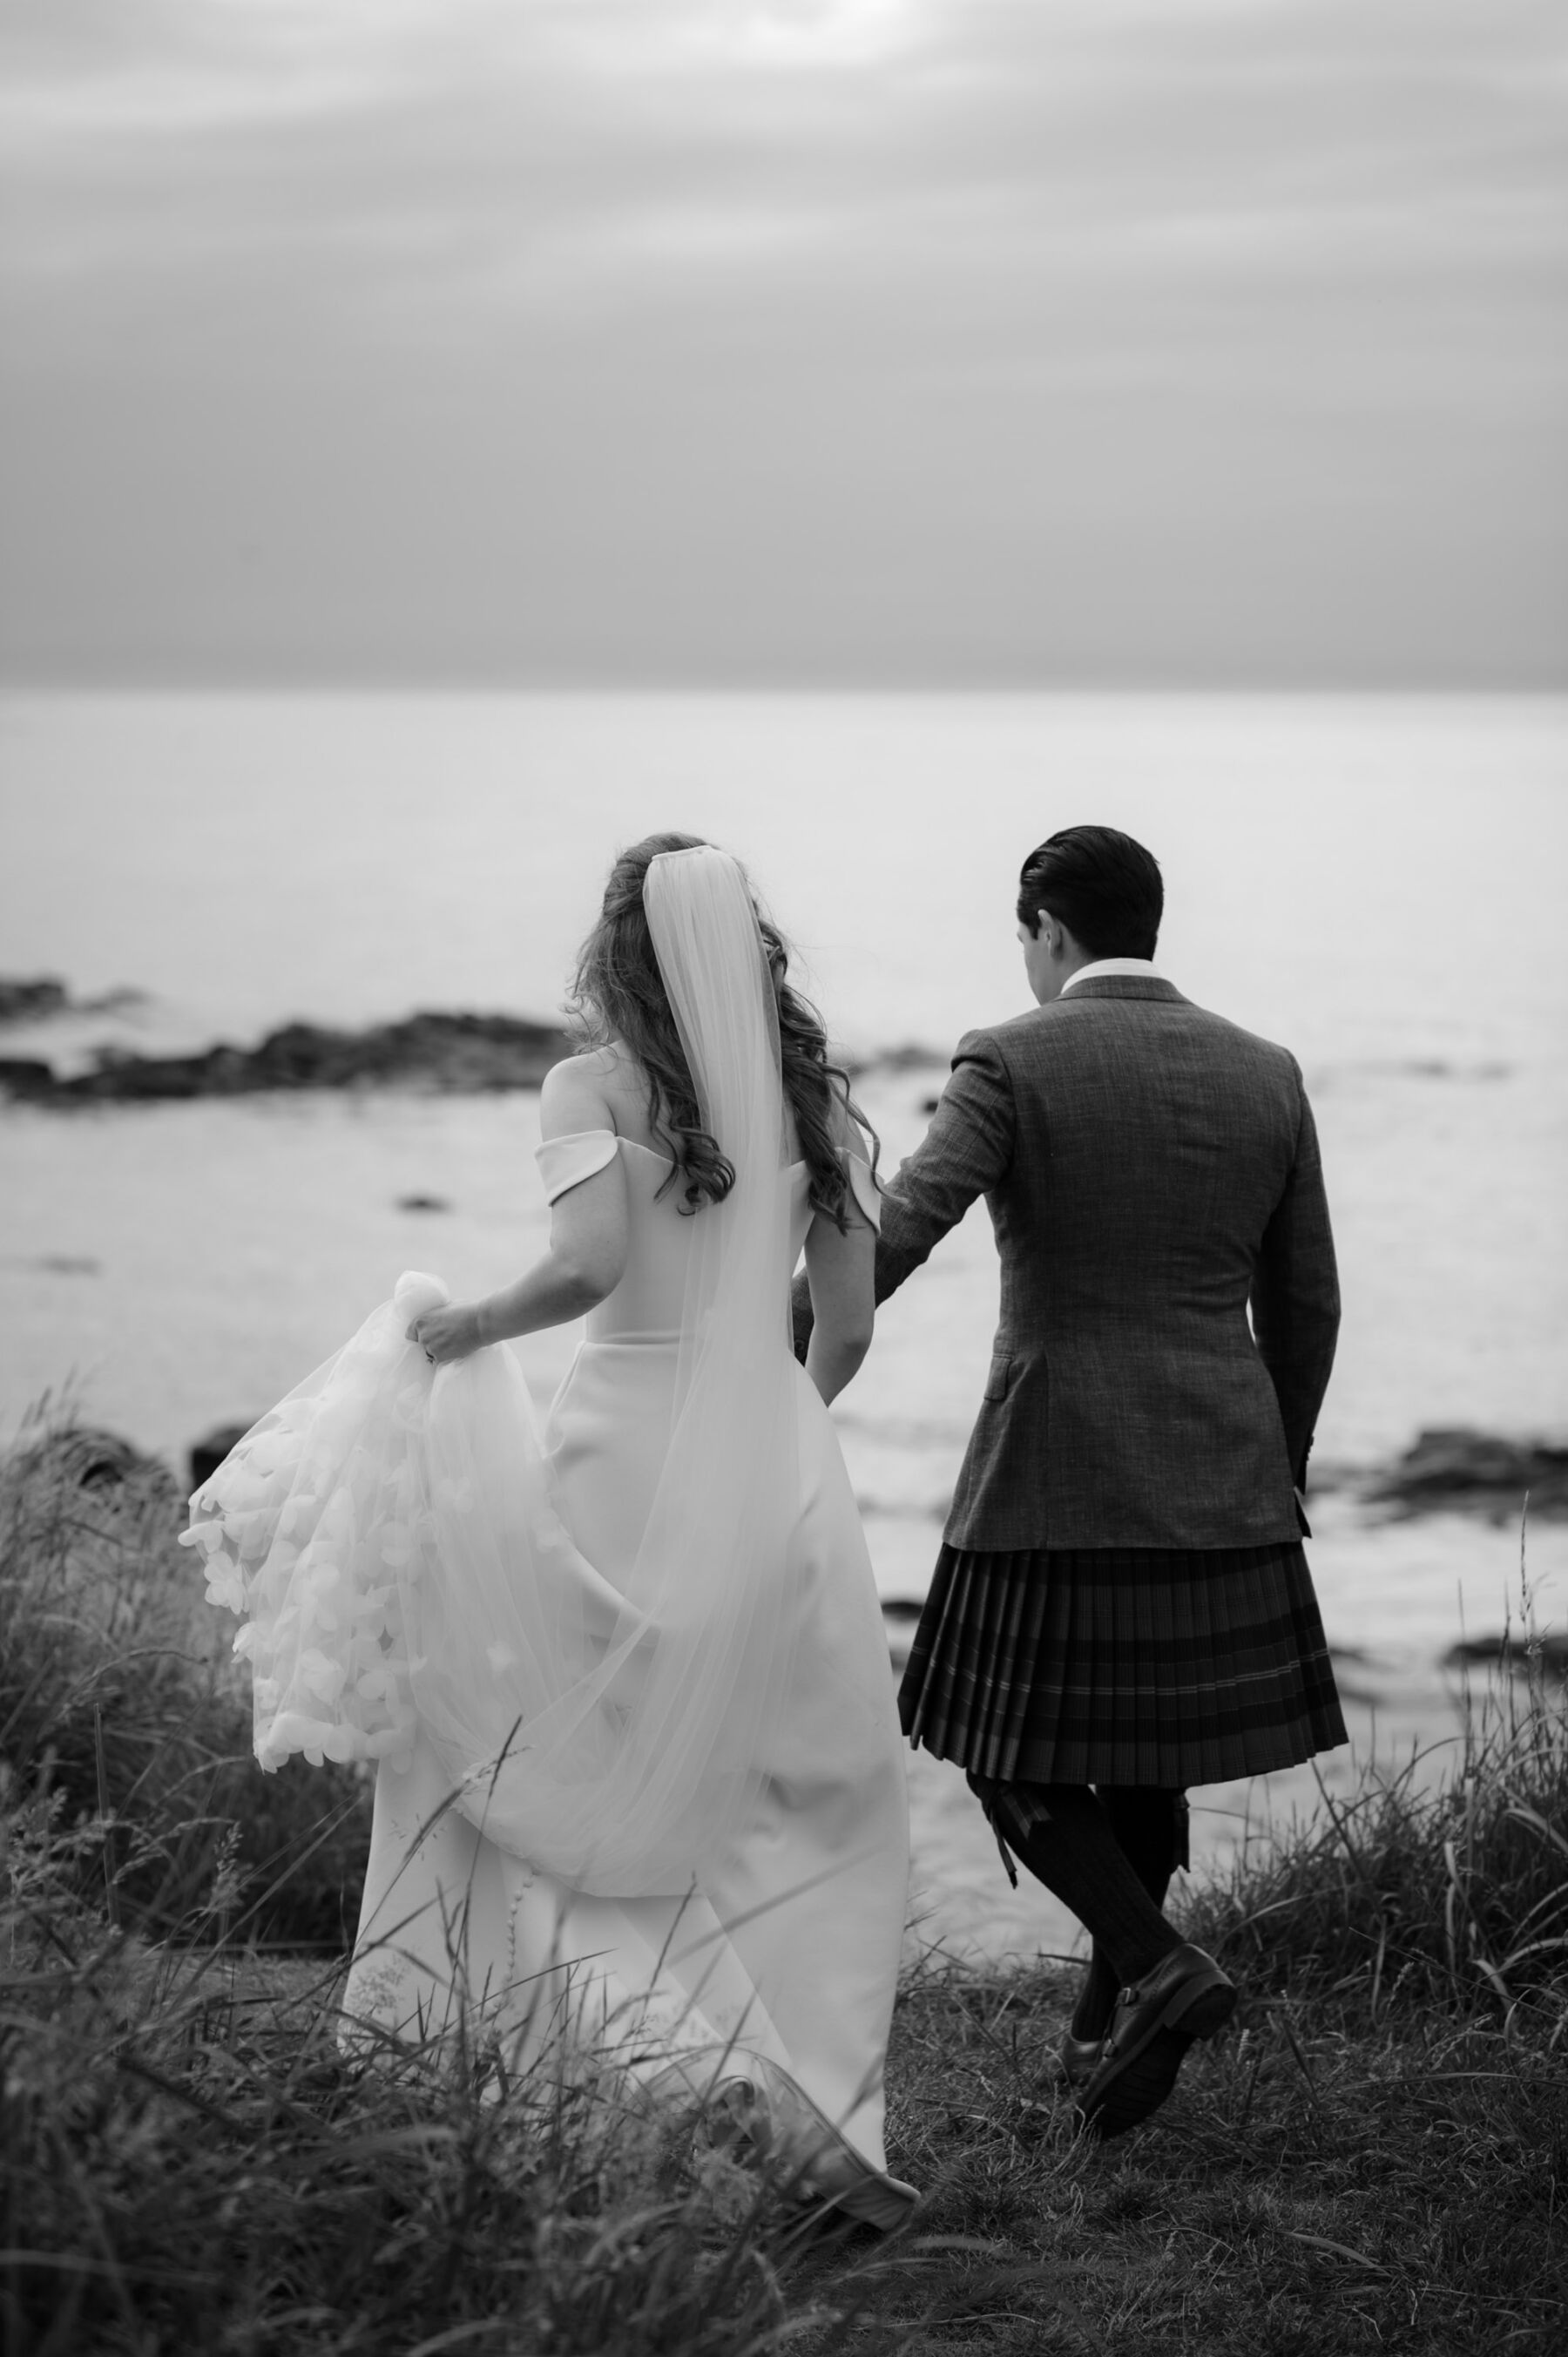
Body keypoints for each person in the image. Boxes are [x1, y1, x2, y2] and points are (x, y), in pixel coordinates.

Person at [184, 836, 916, 2231]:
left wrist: (466, 1326)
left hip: (620, 1442)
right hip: (781, 1468)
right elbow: (855, 1323)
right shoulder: (816, 1099)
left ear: (619, 942)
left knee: (546, 1730)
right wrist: (774, 1426)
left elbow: (586, 1270)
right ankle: (813, 2095)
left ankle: (623, 2054)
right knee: (791, 1784)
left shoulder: (589, 1081)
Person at [796, 823, 1345, 2139]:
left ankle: (1157, 1966)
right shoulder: (1265, 1071)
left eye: (1024, 935)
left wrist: (760, 1347)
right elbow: (1309, 1299)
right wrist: (1281, 1460)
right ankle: (1106, 2031)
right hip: (1224, 1470)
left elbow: (904, 1229)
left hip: (1052, 1471)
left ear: (1047, 924)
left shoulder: (1011, 1056)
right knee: (1147, 1753)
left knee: (996, 1747)